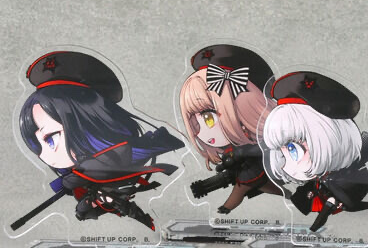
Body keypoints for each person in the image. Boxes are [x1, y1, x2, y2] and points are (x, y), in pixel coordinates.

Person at [18, 51, 184, 230]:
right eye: (38, 145)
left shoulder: (125, 156)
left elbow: (114, 164)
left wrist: (82, 180)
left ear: (89, 123)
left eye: (51, 139)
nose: (44, 155)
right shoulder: (81, 175)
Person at [263, 71, 368, 231]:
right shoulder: (314, 182)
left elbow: (351, 193)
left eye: (293, 150)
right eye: (284, 151)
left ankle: (316, 227)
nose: (285, 166)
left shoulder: (351, 177)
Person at [179, 44, 281, 213]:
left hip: (260, 168)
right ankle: (286, 195)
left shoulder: (270, 138)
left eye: (208, 117)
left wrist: (242, 152)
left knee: (245, 184)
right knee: (255, 184)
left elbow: (265, 148)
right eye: (194, 122)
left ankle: (226, 208)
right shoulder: (233, 146)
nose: (202, 132)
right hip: (247, 169)